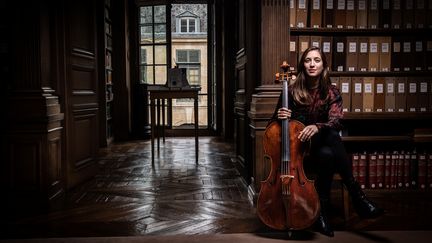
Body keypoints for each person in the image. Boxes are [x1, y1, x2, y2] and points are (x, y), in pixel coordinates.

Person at [271, 46, 384, 237]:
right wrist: (281, 116)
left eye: (317, 60)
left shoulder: (331, 92)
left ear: (324, 65)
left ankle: (322, 212)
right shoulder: (290, 91)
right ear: (302, 64)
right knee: (330, 142)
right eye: (308, 60)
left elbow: (337, 120)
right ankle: (357, 196)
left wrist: (317, 127)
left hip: (321, 148)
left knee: (328, 150)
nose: (312, 64)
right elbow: (273, 126)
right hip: (297, 152)